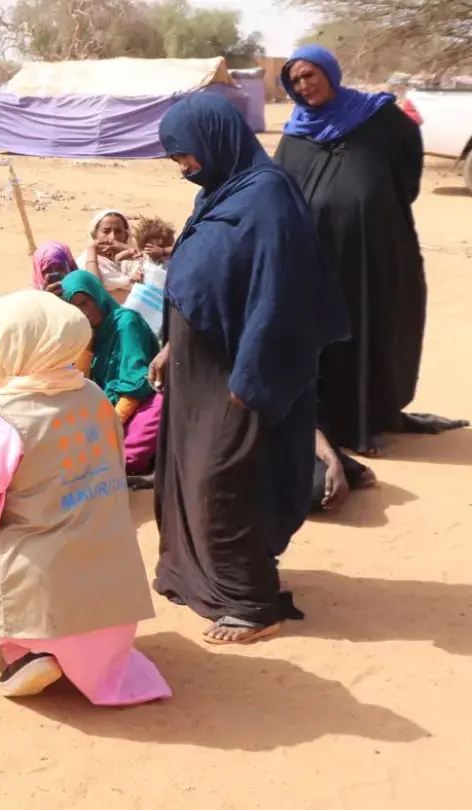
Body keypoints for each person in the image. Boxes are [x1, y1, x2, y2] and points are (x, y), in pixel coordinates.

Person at [153, 94, 349, 644]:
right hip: (198, 371)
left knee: (224, 480)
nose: (183, 167)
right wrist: (172, 347)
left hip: (238, 373)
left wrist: (252, 377)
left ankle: (253, 603)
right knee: (189, 474)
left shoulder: (268, 199)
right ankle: (198, 577)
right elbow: (199, 283)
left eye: (186, 155)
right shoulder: (221, 193)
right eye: (176, 159)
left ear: (217, 139)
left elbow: (278, 295)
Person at [0, 293, 169, 704]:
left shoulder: (3, 418)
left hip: (45, 603)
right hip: (113, 598)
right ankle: (54, 651)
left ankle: (24, 651)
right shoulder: (95, 398)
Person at [275, 45, 466, 454]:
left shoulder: (380, 118)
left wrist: (375, 206)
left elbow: (407, 170)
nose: (304, 86)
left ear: (330, 71)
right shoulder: (295, 132)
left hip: (379, 249)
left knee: (378, 325)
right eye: (295, 81)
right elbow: (281, 189)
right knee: (329, 333)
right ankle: (334, 423)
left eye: (309, 75)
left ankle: (376, 413)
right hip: (319, 258)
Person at [58, 271, 163, 475]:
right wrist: (87, 339)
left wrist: (106, 427)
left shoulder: (126, 323)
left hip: (139, 402)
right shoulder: (88, 332)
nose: (84, 312)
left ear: (97, 295)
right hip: (107, 408)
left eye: (86, 302)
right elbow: (81, 379)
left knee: (126, 456)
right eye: (75, 307)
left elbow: (135, 384)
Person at [79, 209, 136, 297]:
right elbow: (95, 287)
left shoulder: (133, 258)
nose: (112, 237)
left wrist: (126, 248)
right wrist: (92, 250)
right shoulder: (86, 259)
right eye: (106, 231)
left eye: (118, 231)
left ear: (126, 235)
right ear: (95, 234)